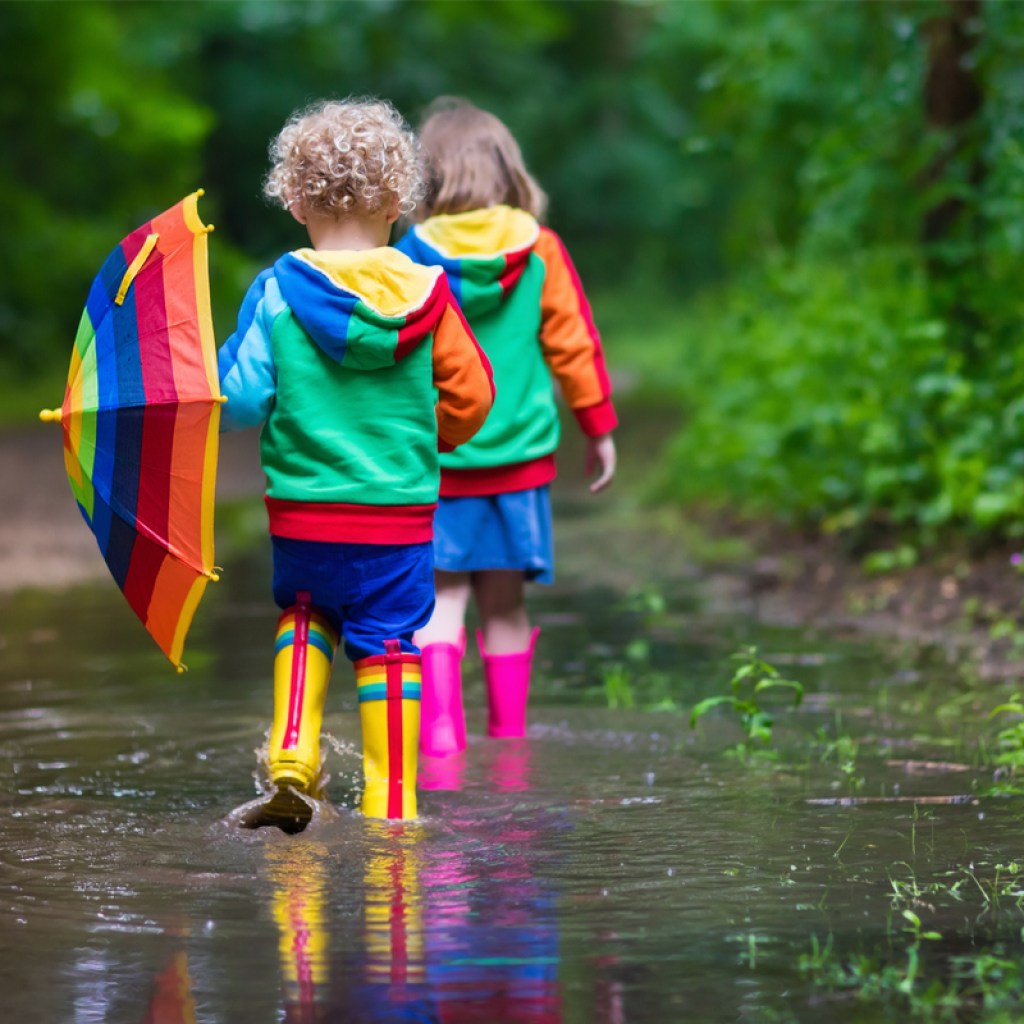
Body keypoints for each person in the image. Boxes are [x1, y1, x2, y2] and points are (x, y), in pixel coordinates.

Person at [217, 98, 494, 822]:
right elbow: (473, 397)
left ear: (297, 200)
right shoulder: (430, 294)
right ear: (399, 203)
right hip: (397, 518)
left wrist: (219, 367)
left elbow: (242, 401)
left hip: (304, 516)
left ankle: (291, 754)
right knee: (390, 642)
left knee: (306, 613)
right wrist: (431, 438)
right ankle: (392, 799)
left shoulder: (276, 292)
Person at [395, 98, 617, 757]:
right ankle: (510, 743)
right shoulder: (540, 249)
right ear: (507, 170)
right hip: (519, 460)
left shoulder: (409, 253)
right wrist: (597, 425)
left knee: (441, 602)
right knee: (505, 607)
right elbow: (573, 343)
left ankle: (438, 737)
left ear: (426, 179)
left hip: (439, 458)